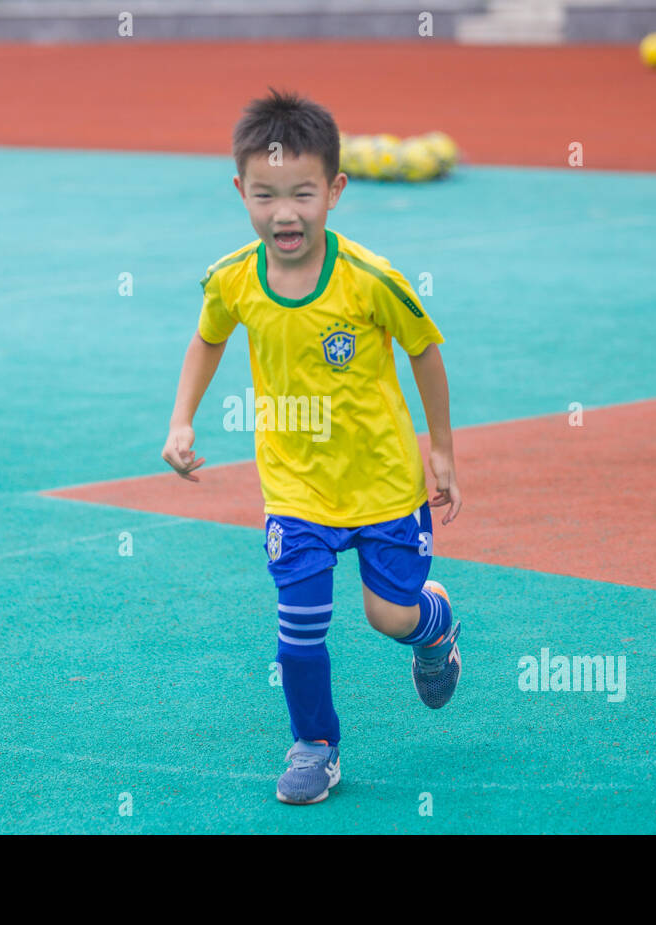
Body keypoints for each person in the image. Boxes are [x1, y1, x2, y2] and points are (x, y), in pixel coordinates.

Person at [161, 88, 463, 805]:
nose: (284, 212)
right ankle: (316, 743)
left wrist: (442, 453)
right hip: (296, 489)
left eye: (303, 192)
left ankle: (436, 626)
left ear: (335, 189)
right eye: (264, 195)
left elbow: (424, 350)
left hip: (384, 482)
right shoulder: (235, 278)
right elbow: (207, 338)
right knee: (299, 626)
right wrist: (181, 422)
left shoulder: (371, 279)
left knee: (389, 615)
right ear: (240, 191)